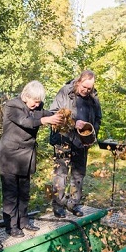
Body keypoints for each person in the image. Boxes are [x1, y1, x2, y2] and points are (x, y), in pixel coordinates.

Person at [0, 81, 62, 237]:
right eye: (35, 101)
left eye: (39, 101)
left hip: (26, 156)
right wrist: (44, 121)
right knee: (11, 194)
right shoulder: (12, 106)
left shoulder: (37, 107)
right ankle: (11, 226)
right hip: (10, 156)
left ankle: (24, 221)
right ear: (25, 96)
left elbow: (46, 113)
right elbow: (25, 121)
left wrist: (58, 115)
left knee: (24, 192)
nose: (37, 104)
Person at [49, 70, 102, 218]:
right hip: (63, 139)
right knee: (61, 174)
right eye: (84, 87)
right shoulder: (65, 91)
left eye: (89, 89)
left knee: (78, 174)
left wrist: (92, 135)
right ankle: (58, 205)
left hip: (82, 141)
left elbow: (98, 118)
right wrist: (73, 122)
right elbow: (54, 114)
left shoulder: (93, 97)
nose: (86, 91)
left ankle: (73, 203)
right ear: (78, 82)